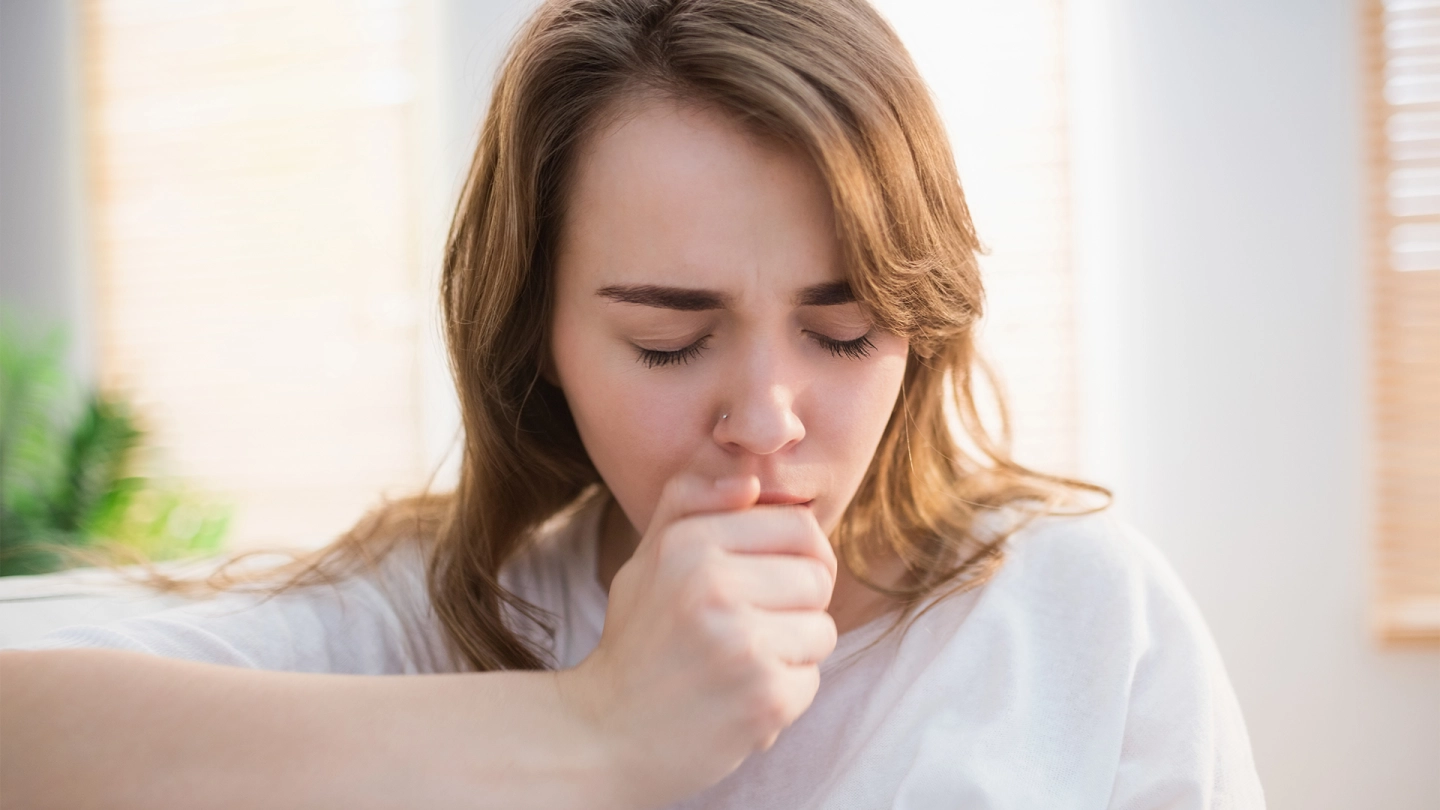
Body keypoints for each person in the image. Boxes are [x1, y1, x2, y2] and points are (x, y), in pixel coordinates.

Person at [0, 0, 1266, 807]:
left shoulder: (1075, 609)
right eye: (669, 342)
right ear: (538, 336)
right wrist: (592, 727)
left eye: (843, 330)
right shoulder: (442, 610)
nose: (767, 419)